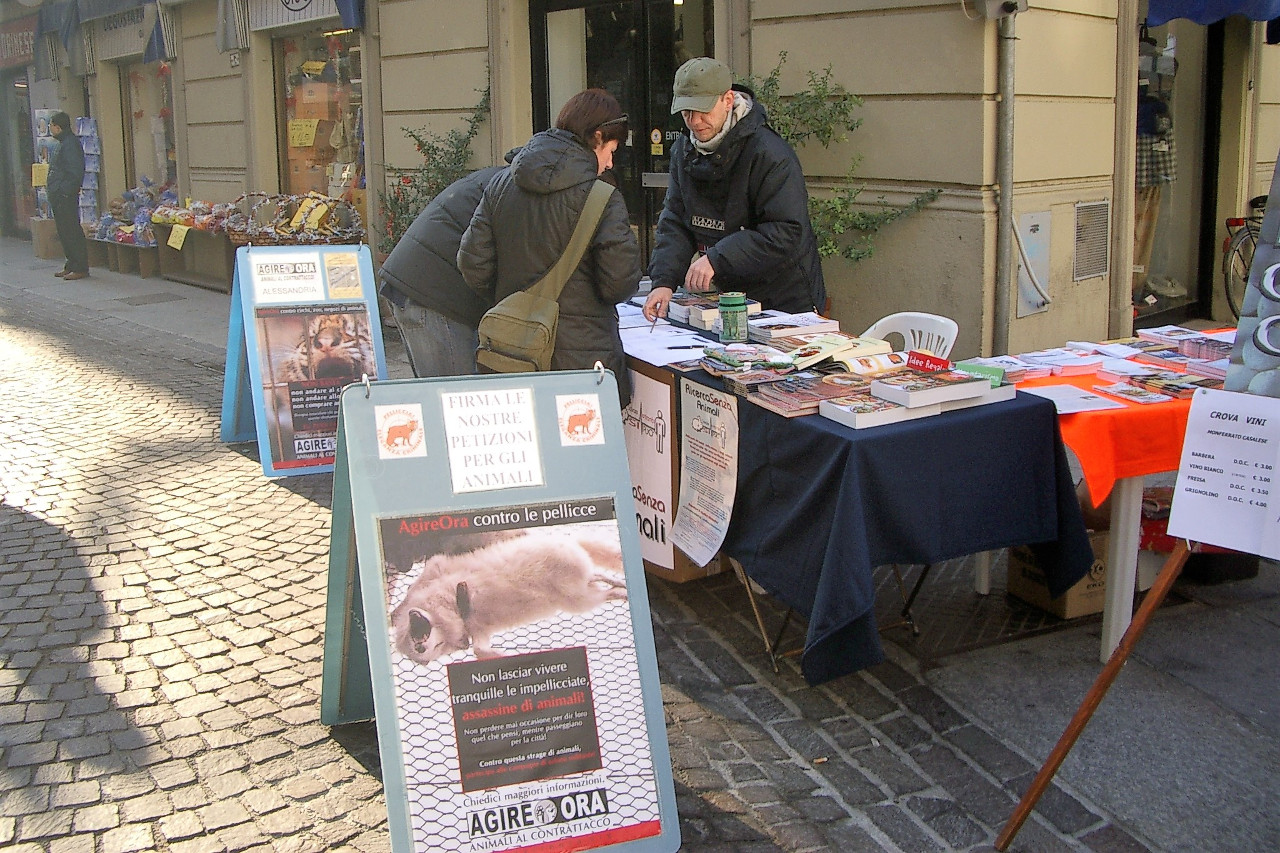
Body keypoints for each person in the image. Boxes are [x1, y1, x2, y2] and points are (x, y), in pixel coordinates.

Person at [458, 89, 641, 407]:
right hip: (582, 364)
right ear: (597, 137)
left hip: (513, 354)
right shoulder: (602, 197)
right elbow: (619, 284)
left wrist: (516, 303)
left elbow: (473, 263)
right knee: (582, 439)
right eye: (611, 150)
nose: (611, 163)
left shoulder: (500, 184)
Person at [642, 57, 825, 323]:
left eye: (703, 110)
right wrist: (664, 281)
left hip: (784, 297)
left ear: (728, 100)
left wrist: (717, 258)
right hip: (730, 295)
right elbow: (676, 221)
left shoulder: (770, 153)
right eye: (686, 112)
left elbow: (786, 230)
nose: (694, 121)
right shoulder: (683, 150)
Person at [378, 162, 508, 377]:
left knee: (439, 389)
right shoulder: (515, 187)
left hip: (415, 281)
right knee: (453, 393)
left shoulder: (502, 177)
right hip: (433, 292)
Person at [46, 112, 89, 281]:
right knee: (64, 231)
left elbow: (75, 172)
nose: (50, 128)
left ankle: (80, 267)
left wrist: (64, 191)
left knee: (71, 230)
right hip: (59, 196)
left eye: (51, 125)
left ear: (58, 127)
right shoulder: (63, 143)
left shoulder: (70, 144)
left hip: (65, 196)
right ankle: (71, 264)